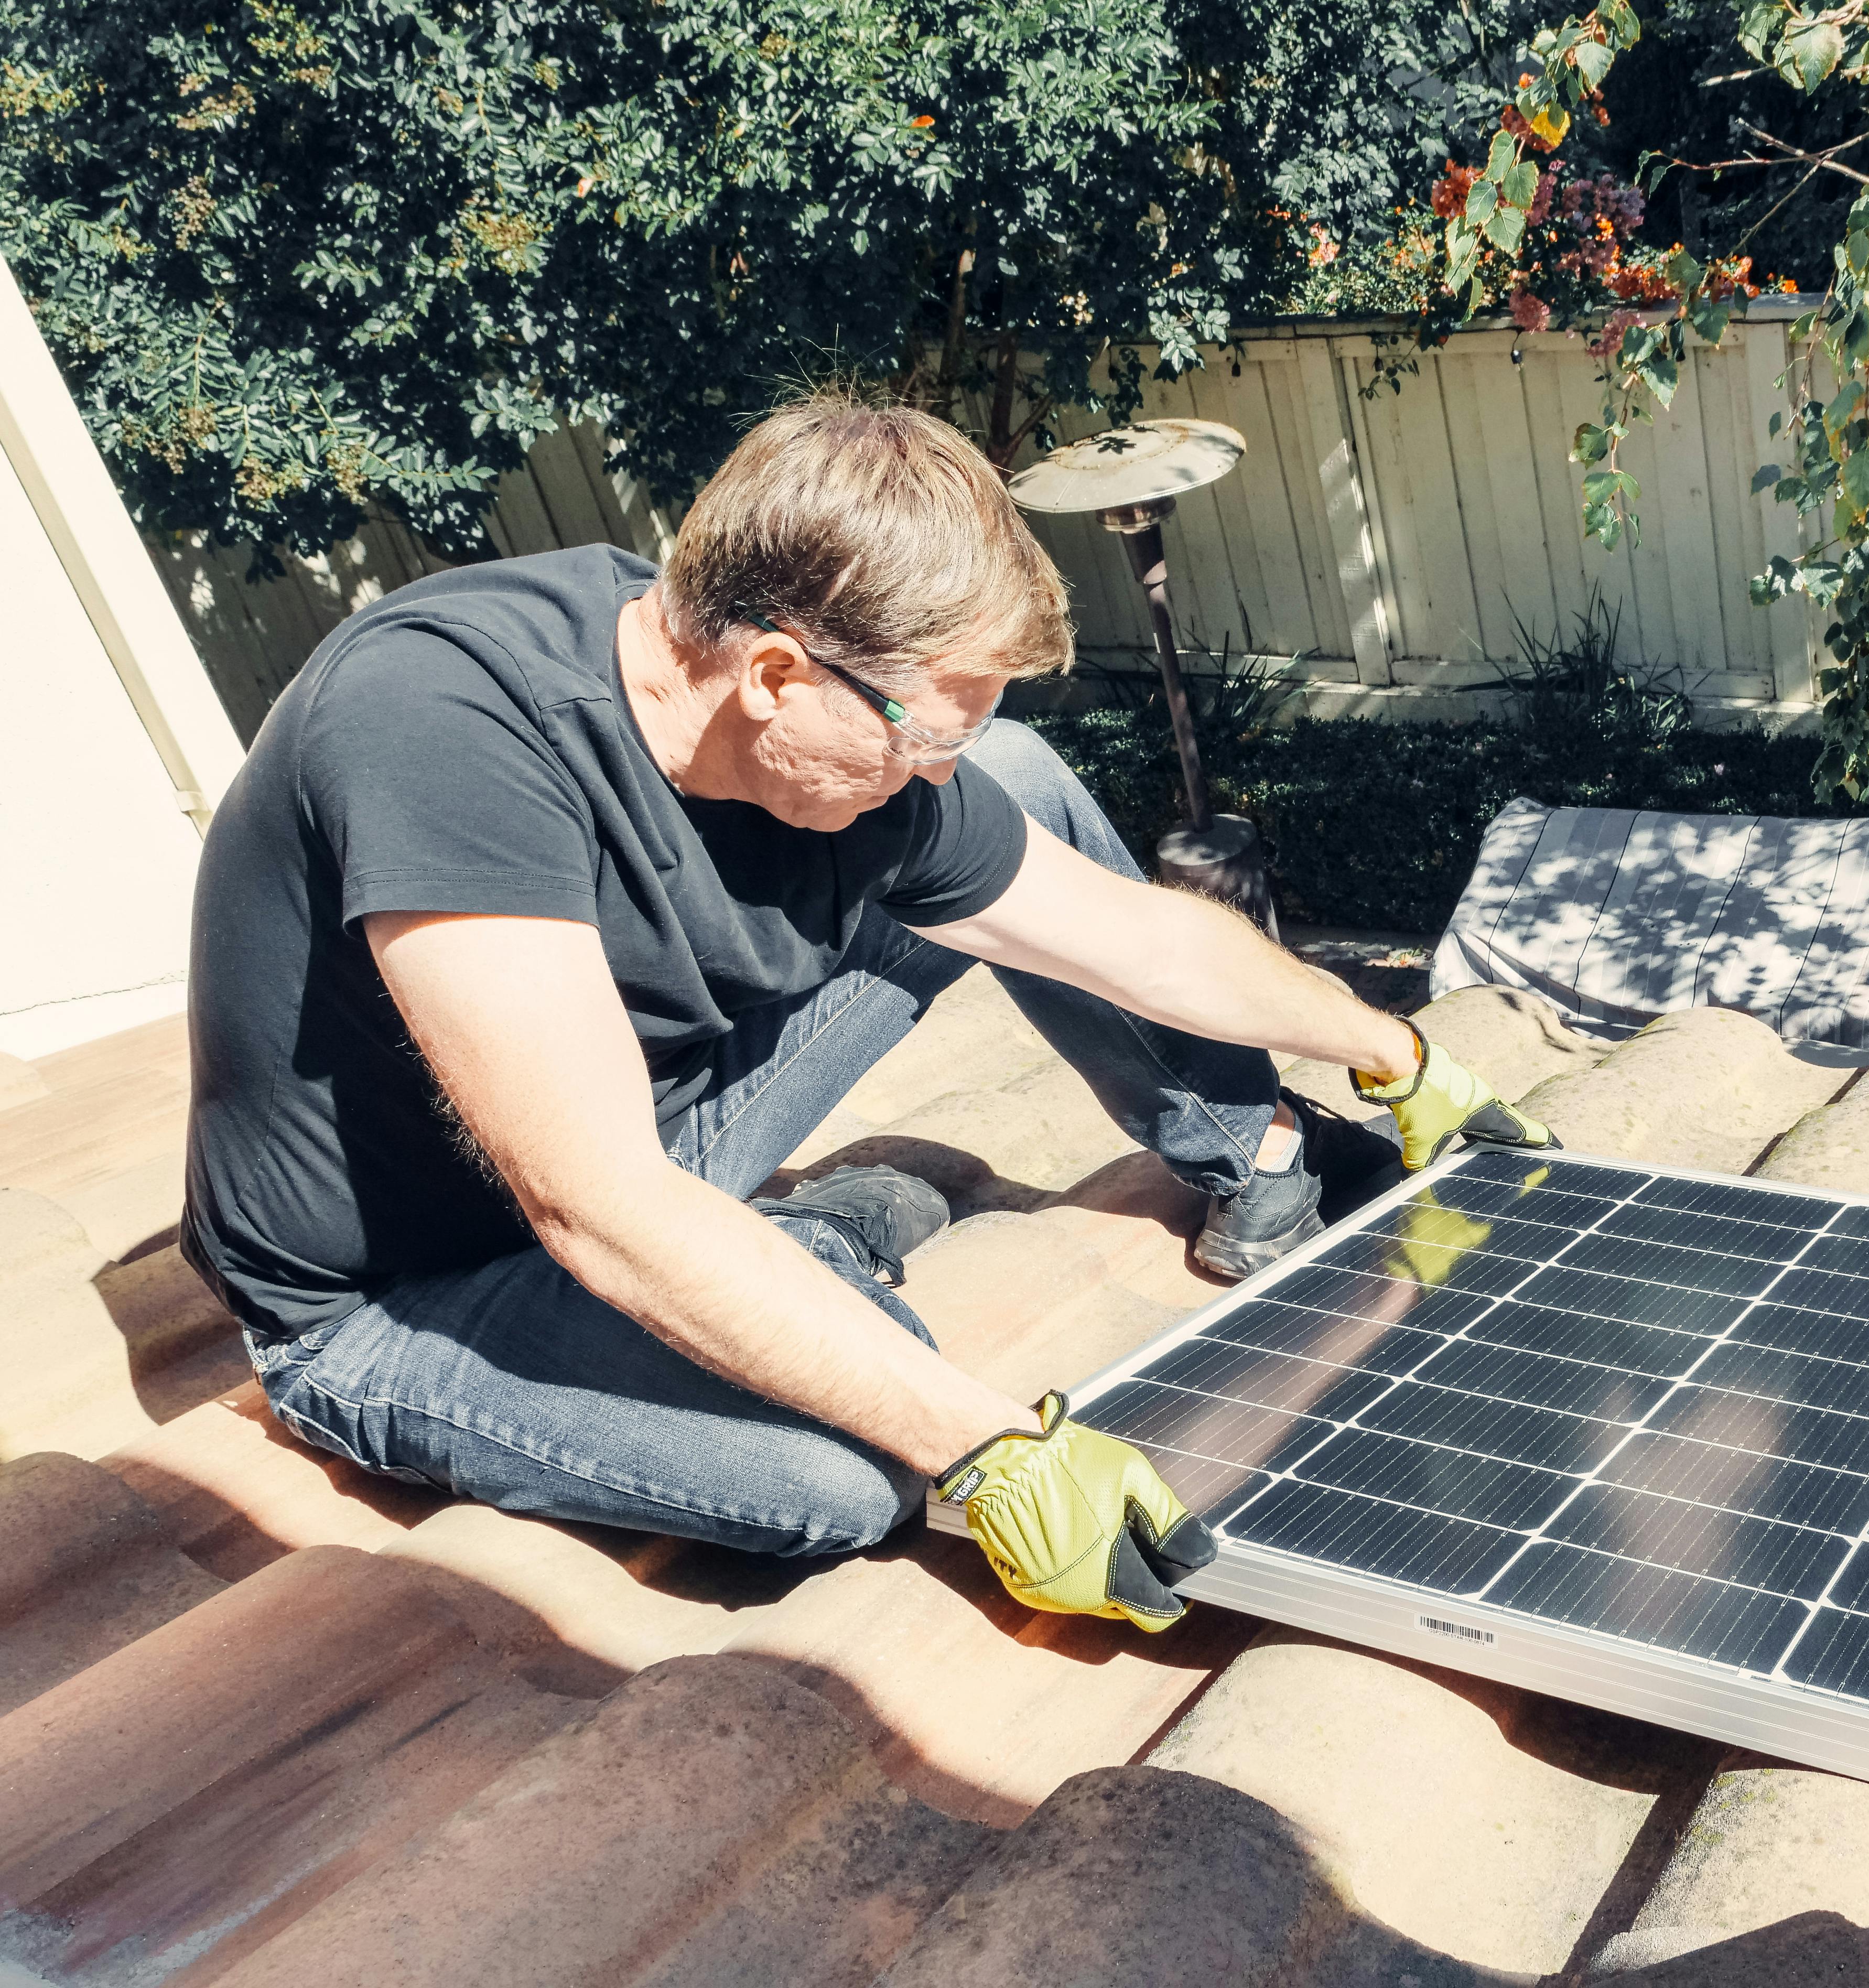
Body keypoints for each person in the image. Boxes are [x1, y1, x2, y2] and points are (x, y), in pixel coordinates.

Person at [180, 396, 1552, 1630]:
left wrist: (1395, 1049)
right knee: (853, 1470)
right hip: (404, 1288)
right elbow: (590, 1200)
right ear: (776, 673)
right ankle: (785, 1255)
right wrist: (995, 1447)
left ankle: (1257, 1164)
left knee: (1018, 782)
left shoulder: (859, 758)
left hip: (659, 1128)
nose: (930, 775)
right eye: (923, 732)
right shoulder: (447, 725)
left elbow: (1132, 936)